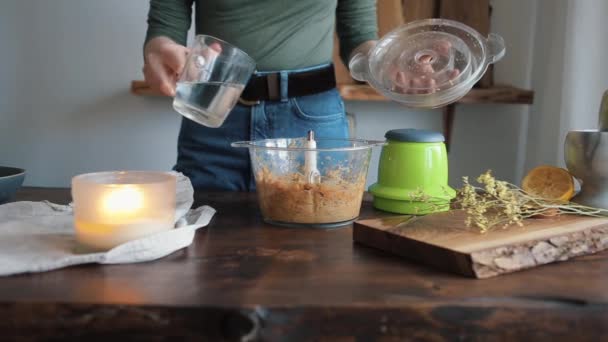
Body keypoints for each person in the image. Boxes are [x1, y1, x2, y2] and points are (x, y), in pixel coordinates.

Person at [143, 0, 378, 191]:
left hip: (310, 123)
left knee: (320, 242)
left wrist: (384, 63)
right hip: (213, 113)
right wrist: (160, 51)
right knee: (203, 239)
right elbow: (165, 27)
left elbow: (359, 34)